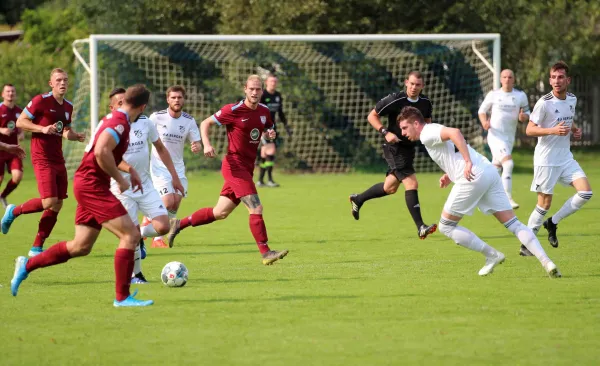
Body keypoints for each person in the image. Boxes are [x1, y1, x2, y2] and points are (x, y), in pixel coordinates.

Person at [10, 84, 154, 307]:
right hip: (92, 186)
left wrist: (130, 170)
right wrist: (120, 178)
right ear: (143, 106)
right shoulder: (120, 122)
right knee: (131, 236)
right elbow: (100, 151)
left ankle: (26, 266)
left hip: (89, 184)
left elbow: (105, 151)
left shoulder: (114, 118)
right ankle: (122, 297)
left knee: (81, 246)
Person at [398, 106, 561, 277]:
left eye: (404, 127)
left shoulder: (426, 133)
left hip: (472, 177)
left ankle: (492, 255)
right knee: (514, 224)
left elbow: (455, 133)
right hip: (488, 171)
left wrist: (467, 163)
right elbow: (452, 149)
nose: (403, 133)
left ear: (416, 123)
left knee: (446, 226)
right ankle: (547, 262)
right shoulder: (432, 130)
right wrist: (449, 174)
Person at [165, 75, 289, 265]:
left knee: (220, 212)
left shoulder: (264, 111)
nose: (255, 92)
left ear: (262, 91)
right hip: (233, 166)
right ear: (245, 89)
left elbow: (268, 128)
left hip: (247, 168)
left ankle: (178, 224)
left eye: (258, 89)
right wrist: (206, 145)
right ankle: (265, 252)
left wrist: (270, 133)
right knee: (256, 207)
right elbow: (205, 123)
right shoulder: (234, 110)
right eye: (251, 89)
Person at [2, 68, 85, 257]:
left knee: (57, 204)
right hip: (41, 158)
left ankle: (36, 247)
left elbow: (65, 131)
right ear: (51, 83)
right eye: (58, 80)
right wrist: (42, 128)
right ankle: (13, 211)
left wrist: (75, 136)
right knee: (49, 201)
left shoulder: (68, 106)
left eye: (65, 80)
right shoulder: (40, 100)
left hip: (58, 158)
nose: (62, 83)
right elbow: (21, 122)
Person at [106, 88, 184, 284]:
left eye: (126, 102)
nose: (124, 106)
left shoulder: (145, 122)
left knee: (163, 226)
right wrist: (128, 171)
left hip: (145, 184)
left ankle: (140, 234)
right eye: (120, 103)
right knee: (128, 236)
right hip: (122, 187)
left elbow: (160, 148)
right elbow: (106, 157)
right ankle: (136, 275)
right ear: (112, 107)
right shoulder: (109, 126)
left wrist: (174, 177)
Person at [349, 71, 437, 239]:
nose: (414, 87)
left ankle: (358, 199)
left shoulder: (426, 103)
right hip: (394, 146)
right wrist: (385, 132)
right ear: (406, 83)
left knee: (390, 188)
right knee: (411, 183)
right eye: (411, 83)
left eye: (418, 84)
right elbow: (372, 116)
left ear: (423, 86)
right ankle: (421, 227)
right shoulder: (395, 99)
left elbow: (427, 123)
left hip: (409, 148)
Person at [525, 61, 591, 250]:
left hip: (566, 158)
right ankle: (527, 244)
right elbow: (529, 130)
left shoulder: (572, 99)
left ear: (567, 80)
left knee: (585, 192)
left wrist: (576, 130)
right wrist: (552, 131)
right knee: (544, 203)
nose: (557, 81)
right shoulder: (544, 103)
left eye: (560, 77)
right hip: (546, 159)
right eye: (553, 77)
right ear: (549, 80)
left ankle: (552, 223)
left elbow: (567, 119)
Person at [146, 85, 201, 248]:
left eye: (179, 97)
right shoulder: (156, 117)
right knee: (168, 201)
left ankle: (147, 221)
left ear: (184, 100)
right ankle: (157, 238)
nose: (177, 100)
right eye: (173, 97)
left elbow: (196, 141)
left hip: (178, 167)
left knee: (175, 203)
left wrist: (197, 146)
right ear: (168, 99)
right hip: (159, 167)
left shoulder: (189, 121)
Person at [478, 69, 530, 209]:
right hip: (495, 136)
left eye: (510, 77)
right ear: (501, 79)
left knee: (495, 169)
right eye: (505, 77)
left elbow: (527, 113)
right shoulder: (494, 94)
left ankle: (482, 196)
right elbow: (482, 111)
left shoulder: (520, 96)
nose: (507, 79)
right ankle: (507, 198)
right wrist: (484, 123)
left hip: (509, 138)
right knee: (508, 164)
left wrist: (524, 117)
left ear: (514, 79)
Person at [257, 74, 292, 187]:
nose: (273, 83)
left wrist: (286, 126)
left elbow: (280, 112)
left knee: (264, 153)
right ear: (266, 82)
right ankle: (270, 180)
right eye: (271, 81)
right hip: (263, 127)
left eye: (275, 81)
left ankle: (260, 181)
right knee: (271, 151)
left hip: (273, 127)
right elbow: (257, 112)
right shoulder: (262, 95)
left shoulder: (278, 95)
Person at [0, 84, 24, 208]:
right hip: (0, 149)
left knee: (18, 176)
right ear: (2, 94)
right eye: (8, 91)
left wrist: (21, 133)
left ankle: (3, 196)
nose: (10, 93)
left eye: (12, 91)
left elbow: (21, 128)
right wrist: (1, 130)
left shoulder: (19, 111)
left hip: (13, 150)